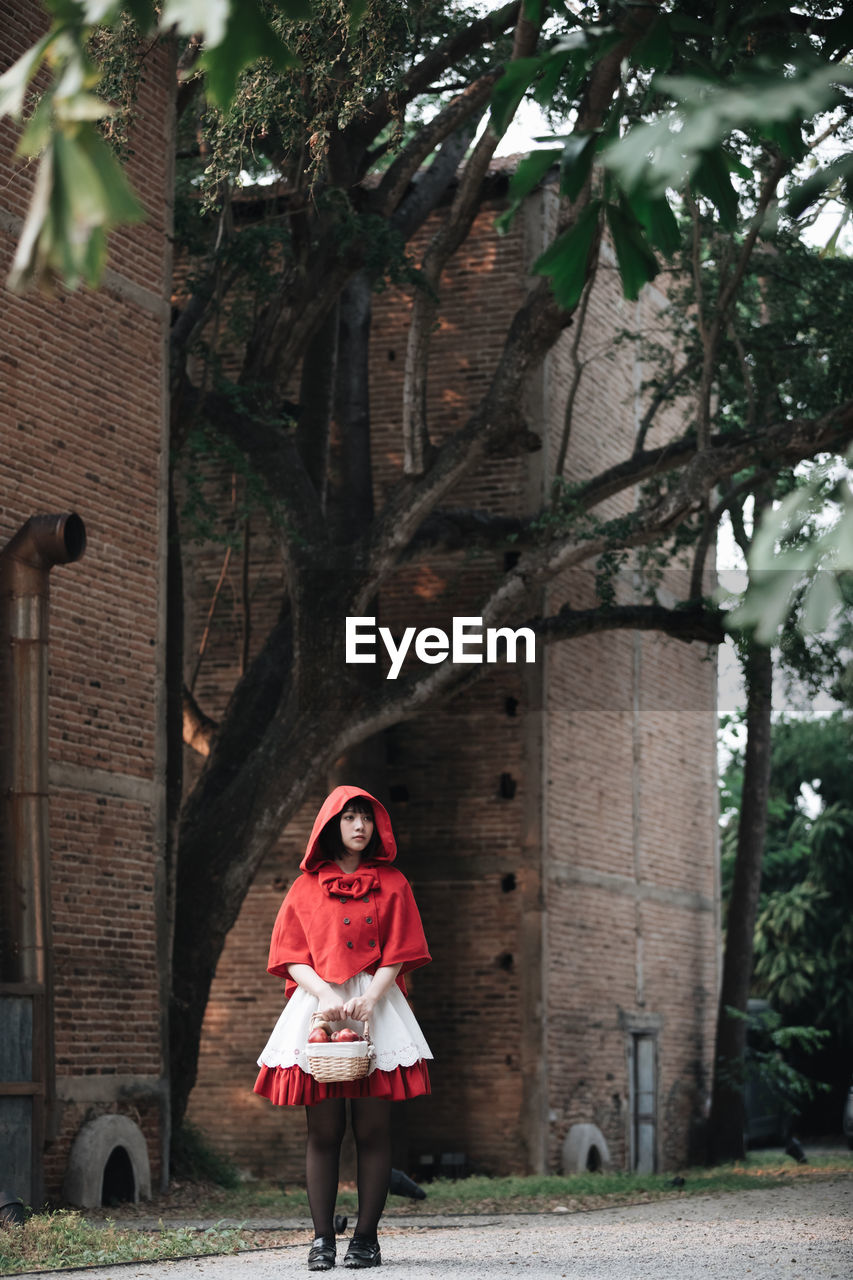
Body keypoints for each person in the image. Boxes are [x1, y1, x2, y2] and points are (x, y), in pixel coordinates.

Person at [254, 785, 433, 1271]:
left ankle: (366, 1240)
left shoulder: (393, 882)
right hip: (319, 1005)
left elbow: (399, 951)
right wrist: (329, 996)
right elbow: (290, 955)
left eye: (367, 818)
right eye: (350, 817)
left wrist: (370, 1000)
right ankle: (321, 1241)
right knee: (324, 1131)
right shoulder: (304, 887)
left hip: (377, 1004)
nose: (359, 826)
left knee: (373, 1129)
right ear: (331, 825)